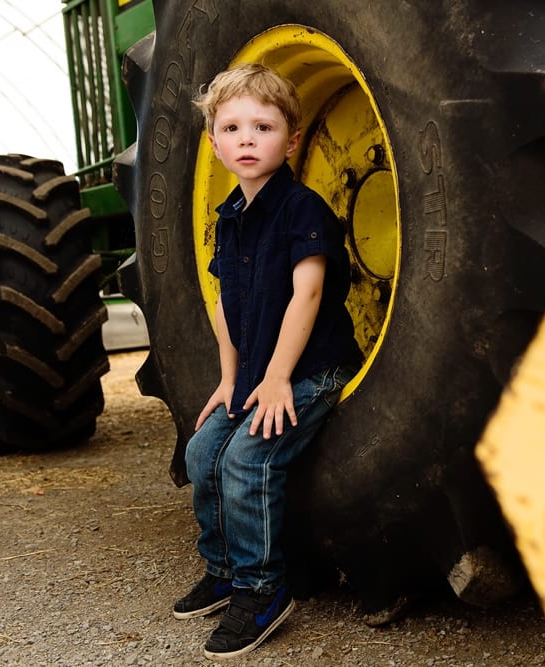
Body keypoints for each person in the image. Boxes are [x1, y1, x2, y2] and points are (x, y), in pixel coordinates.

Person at [173, 63, 362, 660]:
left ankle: (264, 588)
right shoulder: (227, 221)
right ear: (214, 144)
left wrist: (279, 376)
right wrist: (230, 379)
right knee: (203, 450)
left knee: (247, 459)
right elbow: (225, 306)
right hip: (257, 373)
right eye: (231, 128)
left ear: (293, 138)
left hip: (311, 370)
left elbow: (307, 293)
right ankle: (225, 570)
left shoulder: (301, 210)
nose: (247, 139)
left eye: (263, 125)